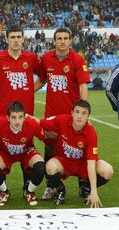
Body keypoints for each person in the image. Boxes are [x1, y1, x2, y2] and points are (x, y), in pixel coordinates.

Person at [0, 24, 41, 195]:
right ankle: (2, 188)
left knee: (26, 146)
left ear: (23, 38)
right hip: (3, 113)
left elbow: (42, 78)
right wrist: (2, 81)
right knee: (2, 149)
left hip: (25, 114)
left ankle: (26, 185)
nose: (16, 40)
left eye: (18, 37)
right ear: (7, 39)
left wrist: (31, 89)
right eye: (12, 37)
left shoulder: (31, 58)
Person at [35, 28, 90, 200]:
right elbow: (42, 80)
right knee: (50, 147)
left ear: (71, 40)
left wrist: (83, 111)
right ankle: (51, 186)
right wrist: (27, 93)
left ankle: (84, 185)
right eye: (59, 38)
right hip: (51, 113)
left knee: (78, 148)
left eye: (66, 38)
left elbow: (83, 86)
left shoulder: (77, 59)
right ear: (54, 41)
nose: (62, 41)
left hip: (72, 115)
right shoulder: (45, 58)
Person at [41, 100, 113, 207]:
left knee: (108, 170)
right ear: (72, 113)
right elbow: (41, 123)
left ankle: (86, 189)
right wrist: (27, 118)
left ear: (89, 116)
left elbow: (91, 163)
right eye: (77, 112)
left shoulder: (91, 133)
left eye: (84, 113)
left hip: (83, 164)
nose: (79, 116)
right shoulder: (62, 120)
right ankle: (61, 190)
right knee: (50, 167)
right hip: (64, 161)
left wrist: (94, 191)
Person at [0, 101, 45, 206]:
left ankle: (29, 192)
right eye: (13, 117)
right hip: (5, 152)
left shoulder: (31, 124)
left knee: (41, 166)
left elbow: (46, 134)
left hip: (26, 152)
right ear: (8, 118)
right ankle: (4, 192)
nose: (17, 121)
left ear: (24, 117)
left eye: (20, 117)